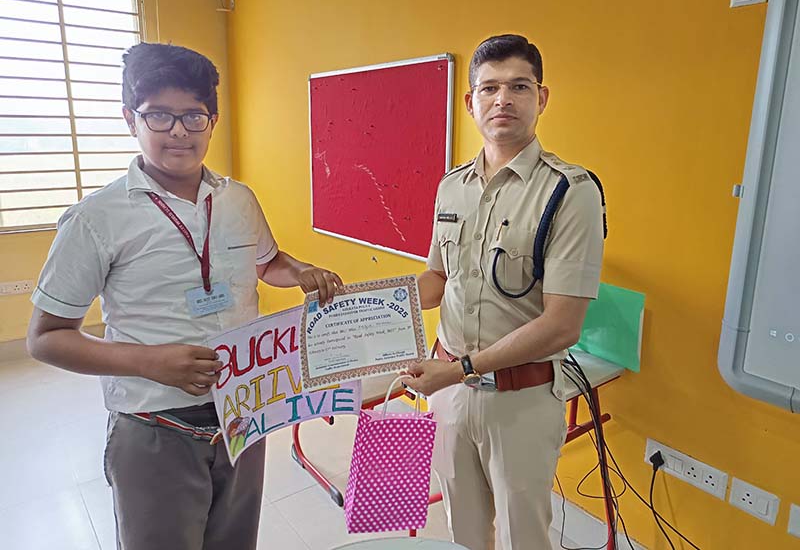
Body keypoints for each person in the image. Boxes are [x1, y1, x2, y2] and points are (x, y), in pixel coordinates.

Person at [26, 42, 342, 550]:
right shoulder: (96, 219)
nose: (178, 131)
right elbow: (45, 338)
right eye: (159, 115)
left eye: (193, 116)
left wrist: (300, 271)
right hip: (155, 429)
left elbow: (266, 263)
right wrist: (149, 362)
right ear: (130, 119)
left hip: (244, 413)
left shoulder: (238, 199)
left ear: (212, 121)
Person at [408, 34, 605, 550]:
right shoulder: (451, 186)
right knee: (463, 531)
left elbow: (562, 325)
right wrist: (368, 307)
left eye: (519, 86)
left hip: (521, 401)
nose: (503, 100)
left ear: (541, 98)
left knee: (523, 537)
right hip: (449, 395)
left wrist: (459, 369)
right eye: (490, 88)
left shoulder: (570, 192)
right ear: (470, 101)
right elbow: (436, 281)